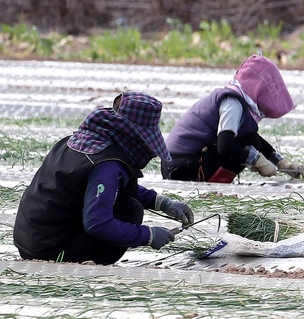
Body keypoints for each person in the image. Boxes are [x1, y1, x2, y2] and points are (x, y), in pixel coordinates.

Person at [14, 91, 194, 264]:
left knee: (125, 201)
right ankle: (91, 260)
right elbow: (97, 223)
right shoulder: (108, 164)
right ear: (132, 135)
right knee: (130, 210)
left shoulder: (79, 142)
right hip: (54, 250)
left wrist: (160, 202)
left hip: (31, 242)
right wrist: (148, 235)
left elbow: (107, 187)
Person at [163, 54, 304, 182]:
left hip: (181, 164)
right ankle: (214, 182)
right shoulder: (232, 104)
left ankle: (215, 178)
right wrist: (257, 160)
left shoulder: (236, 99)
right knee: (250, 143)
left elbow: (251, 138)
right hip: (179, 168)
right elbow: (225, 147)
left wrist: (282, 163)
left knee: (251, 139)